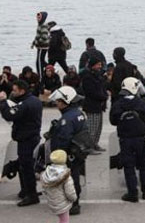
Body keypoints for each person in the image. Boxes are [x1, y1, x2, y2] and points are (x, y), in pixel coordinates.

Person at [110, 78, 145, 202]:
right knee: (144, 164)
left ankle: (132, 193)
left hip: (125, 139)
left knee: (128, 166)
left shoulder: (117, 104)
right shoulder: (142, 103)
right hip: (141, 138)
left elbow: (113, 121)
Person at [0, 79, 42, 206]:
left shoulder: (25, 104)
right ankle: (26, 190)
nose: (13, 92)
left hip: (26, 139)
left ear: (22, 91)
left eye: (15, 90)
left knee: (26, 168)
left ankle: (31, 195)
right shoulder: (35, 100)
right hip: (32, 137)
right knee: (24, 166)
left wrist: (2, 101)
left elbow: (9, 115)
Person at [47, 86, 86, 215]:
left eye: (58, 101)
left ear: (66, 101)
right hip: (77, 152)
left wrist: (57, 155)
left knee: (70, 179)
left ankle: (74, 204)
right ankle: (74, 202)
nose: (56, 103)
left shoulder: (66, 119)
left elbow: (63, 139)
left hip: (68, 154)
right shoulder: (78, 113)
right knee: (75, 177)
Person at [80, 57, 108, 154]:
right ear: (93, 65)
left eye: (100, 64)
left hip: (99, 105)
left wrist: (104, 96)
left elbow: (102, 87)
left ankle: (95, 143)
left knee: (98, 127)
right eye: (98, 64)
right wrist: (102, 97)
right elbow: (91, 92)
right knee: (92, 127)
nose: (100, 66)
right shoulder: (87, 77)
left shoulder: (97, 75)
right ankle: (88, 146)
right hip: (92, 105)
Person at [42, 149, 78, 223]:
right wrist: (74, 198)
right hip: (63, 204)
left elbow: (44, 188)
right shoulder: (66, 175)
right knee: (64, 220)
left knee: (61, 219)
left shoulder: (47, 173)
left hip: (52, 202)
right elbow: (70, 192)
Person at [33, 11, 51, 79]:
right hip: (40, 46)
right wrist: (34, 42)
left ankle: (40, 77)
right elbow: (38, 35)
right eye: (37, 17)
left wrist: (37, 42)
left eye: (39, 17)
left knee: (39, 62)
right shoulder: (40, 25)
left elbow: (44, 37)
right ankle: (51, 68)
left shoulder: (43, 25)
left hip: (42, 47)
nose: (38, 19)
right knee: (41, 61)